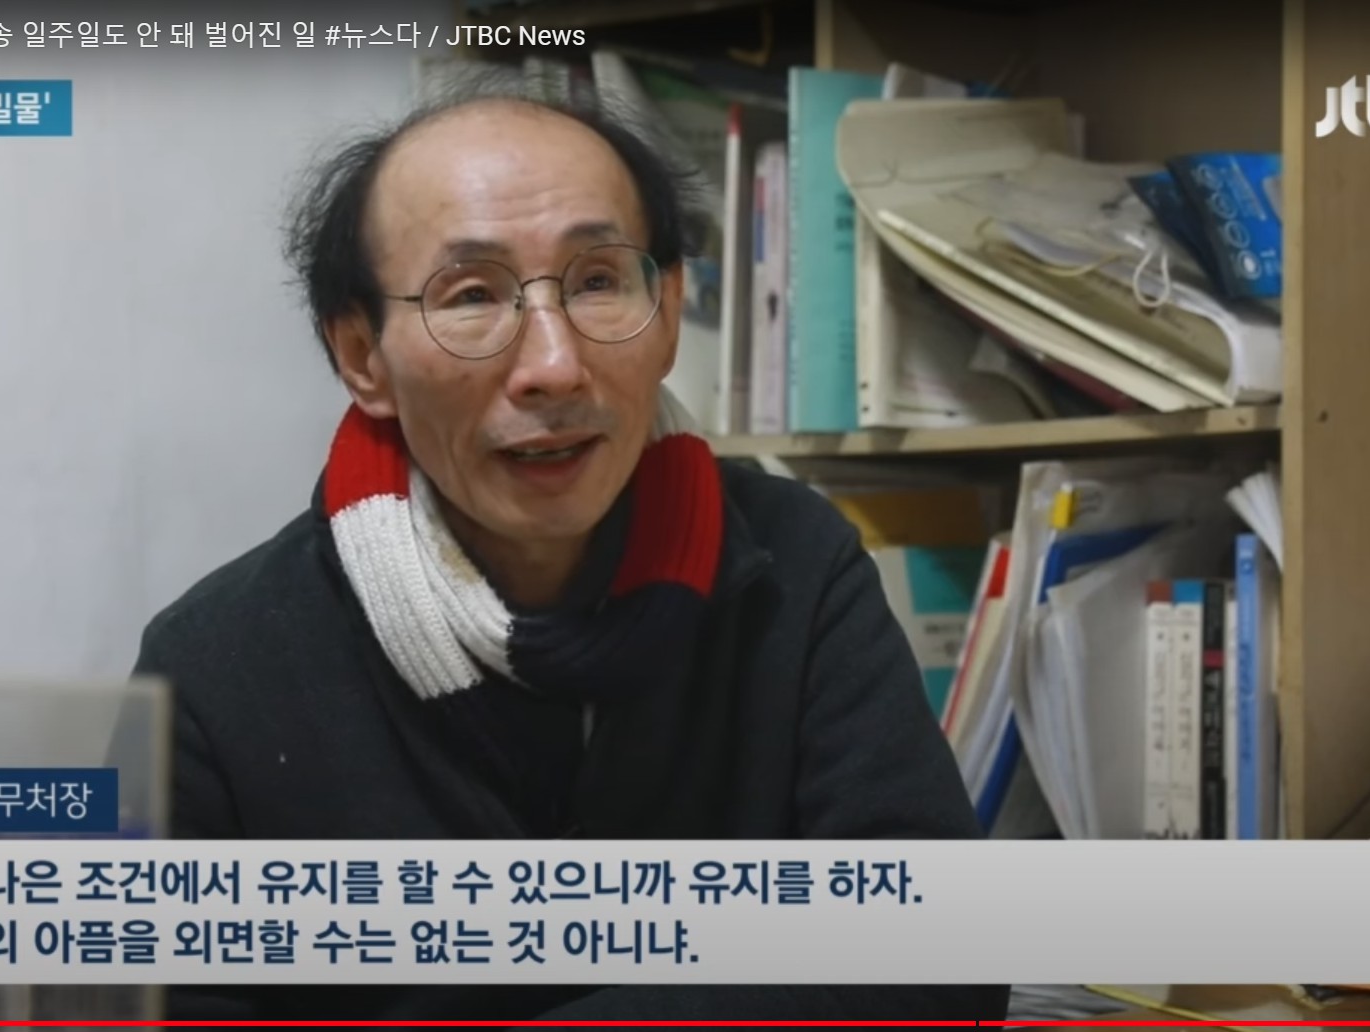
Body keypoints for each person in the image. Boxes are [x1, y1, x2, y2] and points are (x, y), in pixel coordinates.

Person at [131, 80, 1010, 1023]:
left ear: (668, 309)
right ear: (361, 356)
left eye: (597, 282)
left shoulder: (796, 567)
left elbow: (937, 963)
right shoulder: (219, 665)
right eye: (472, 296)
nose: (554, 365)